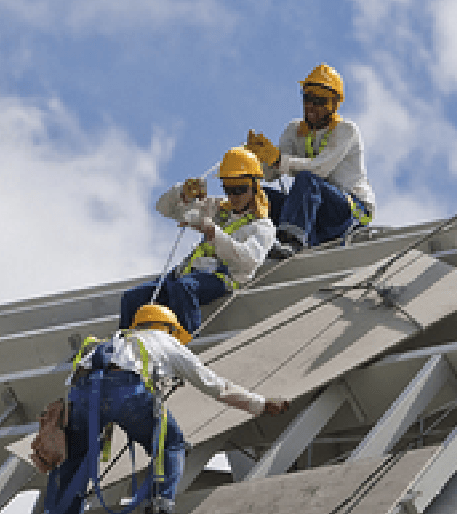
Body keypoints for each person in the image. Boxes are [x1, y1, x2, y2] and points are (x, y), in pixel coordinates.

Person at [45, 303, 287, 514]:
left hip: (82, 398)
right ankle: (161, 510)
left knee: (72, 468)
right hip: (128, 394)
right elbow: (216, 386)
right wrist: (261, 404)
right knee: (172, 444)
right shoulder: (165, 342)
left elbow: (75, 382)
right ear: (169, 328)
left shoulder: (110, 343)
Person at [118, 147, 275, 335]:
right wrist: (183, 194)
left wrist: (213, 232)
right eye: (228, 189)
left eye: (240, 189)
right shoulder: (217, 209)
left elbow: (248, 261)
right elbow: (164, 208)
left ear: (255, 186)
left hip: (220, 278)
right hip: (185, 275)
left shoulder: (262, 226)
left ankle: (188, 338)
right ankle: (124, 345)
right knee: (133, 298)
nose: (233, 196)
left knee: (184, 288)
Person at [246, 64, 377, 254]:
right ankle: (253, 248)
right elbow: (271, 174)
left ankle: (290, 241)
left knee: (307, 179)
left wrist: (278, 160)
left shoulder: (346, 130)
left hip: (349, 211)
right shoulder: (294, 130)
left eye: (319, 100)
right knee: (258, 196)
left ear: (334, 104)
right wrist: (254, 161)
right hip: (315, 214)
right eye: (307, 98)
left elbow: (319, 169)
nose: (311, 106)